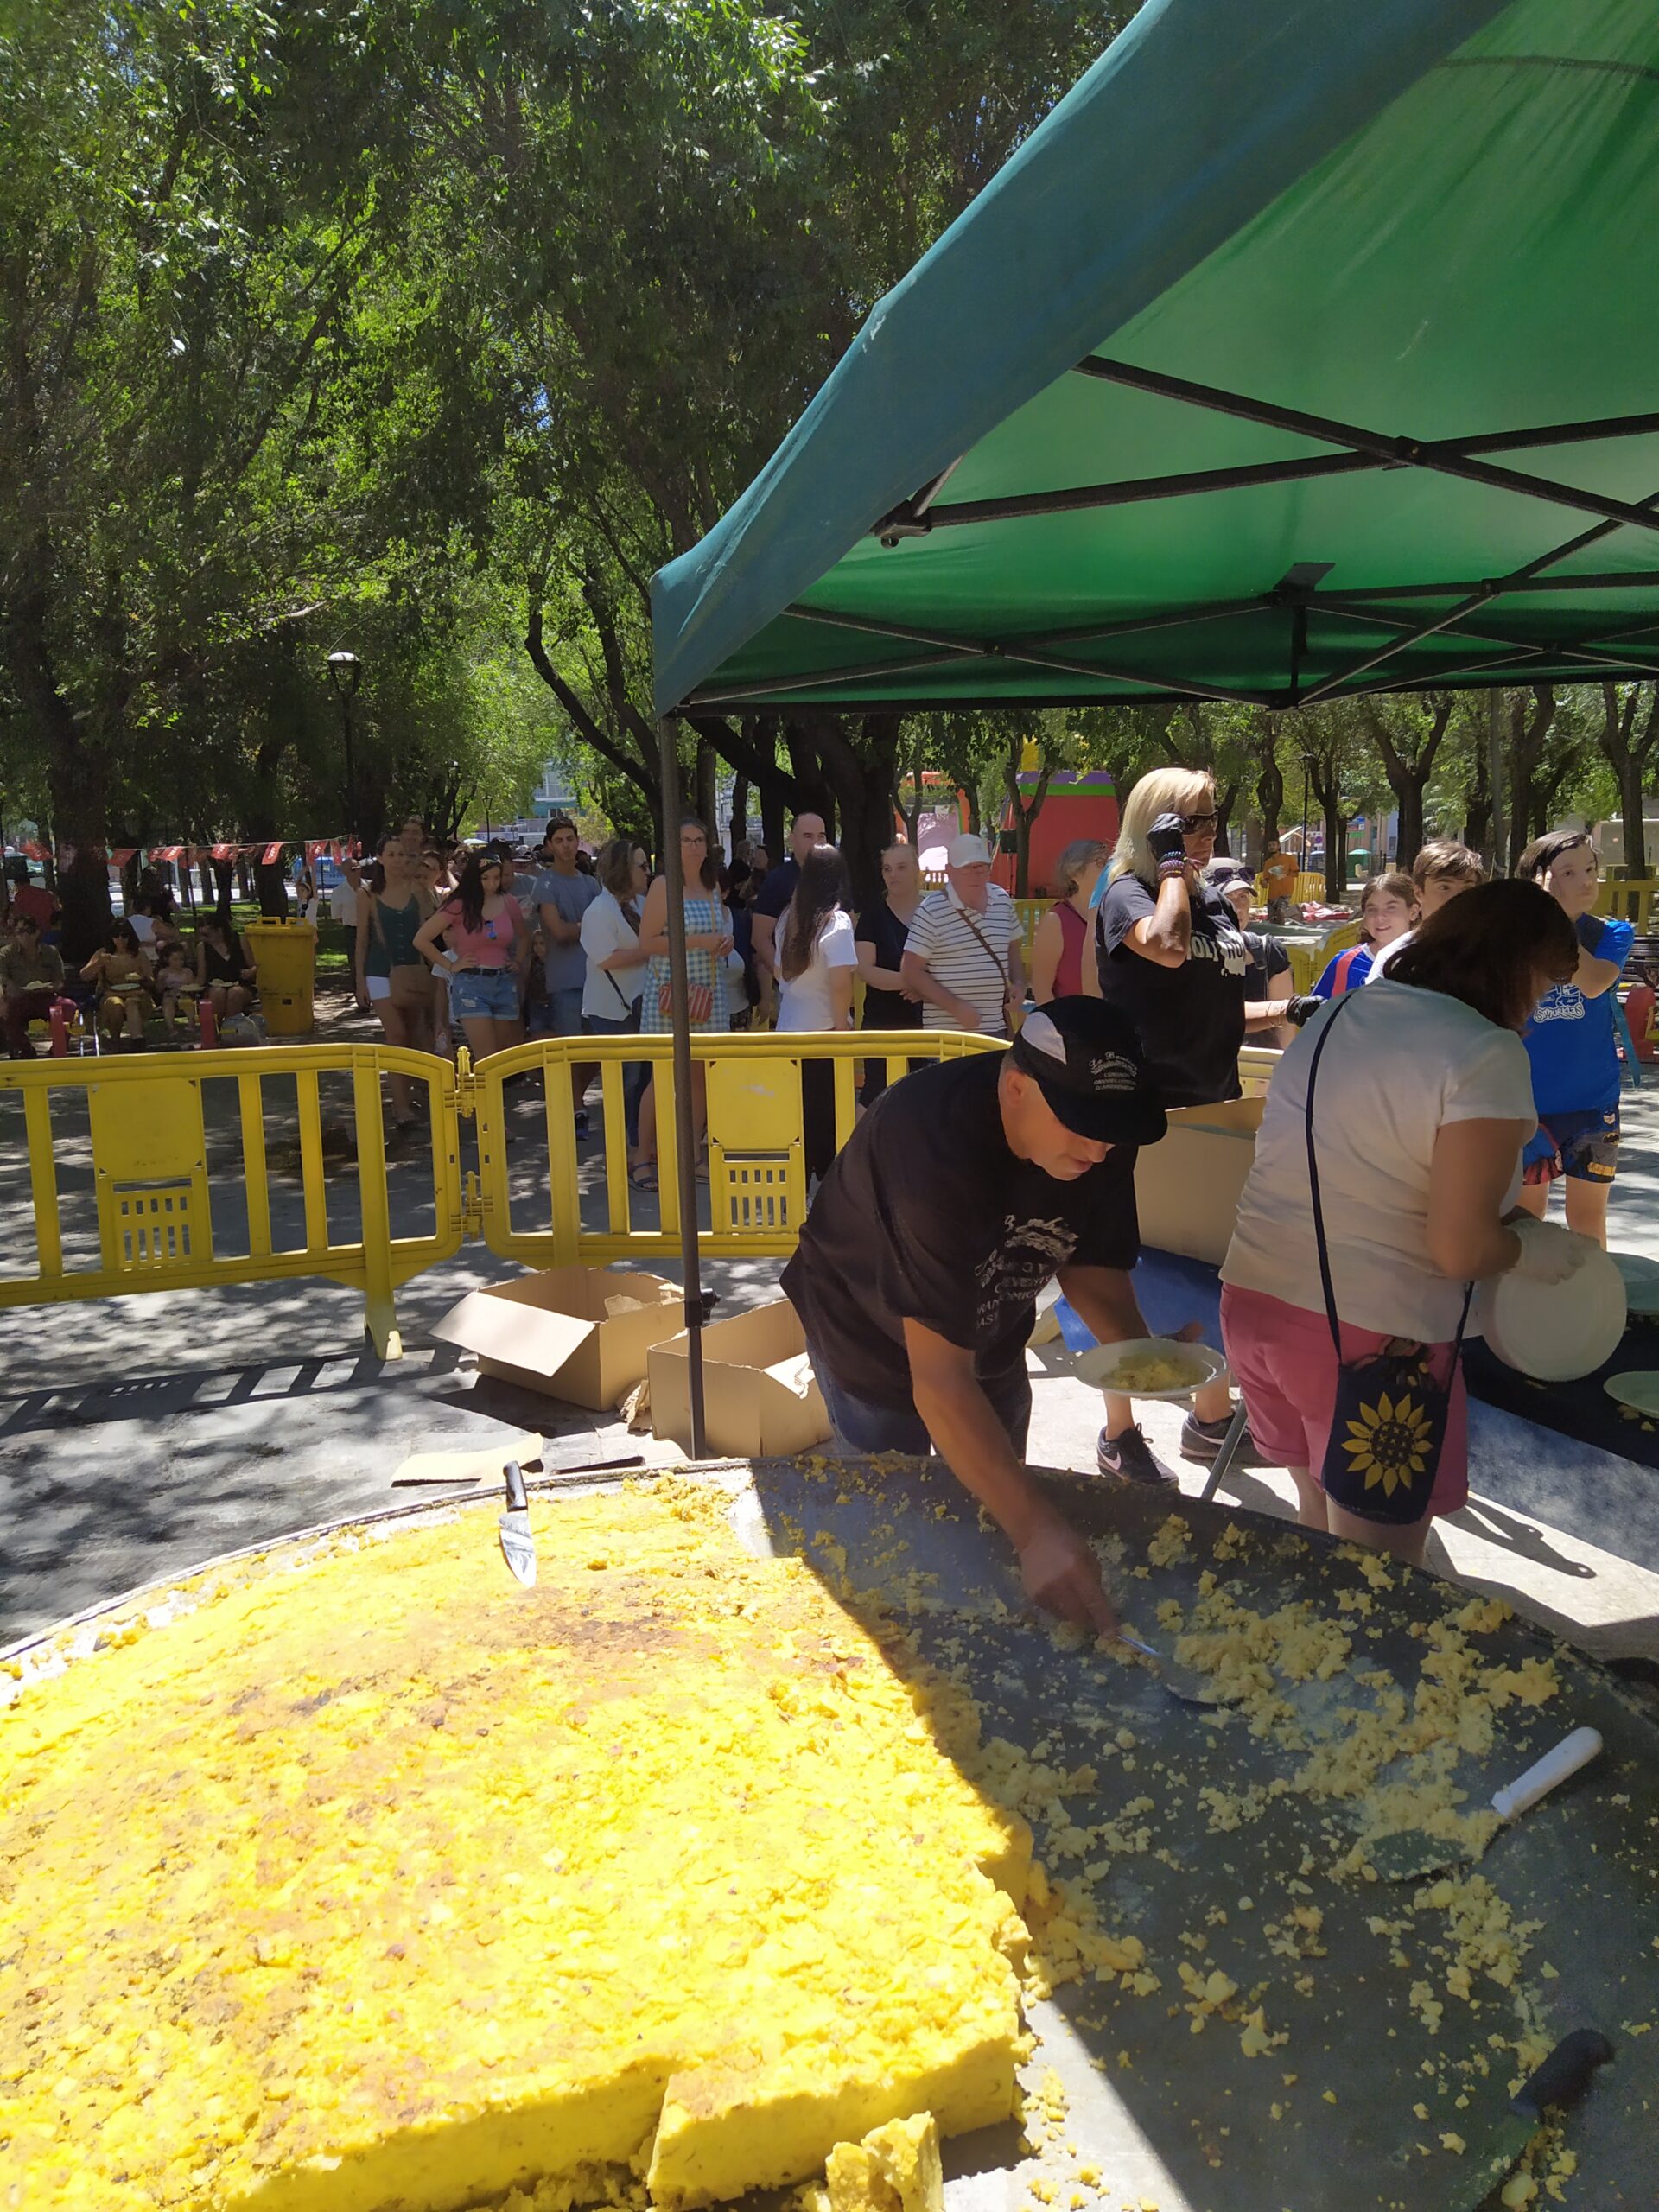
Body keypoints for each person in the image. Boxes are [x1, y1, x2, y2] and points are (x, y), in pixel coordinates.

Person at [1222, 880, 1586, 1565]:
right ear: (1508, 964)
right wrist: (1527, 1251)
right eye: (1542, 985)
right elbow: (1460, 1248)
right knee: (1377, 1589)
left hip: (1256, 1305)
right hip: (1373, 1344)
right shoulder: (1485, 1050)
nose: (1537, 1010)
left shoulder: (1341, 1012)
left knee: (1318, 1545)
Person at [784, 997, 1170, 1631]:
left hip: (988, 1325)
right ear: (1018, 1087)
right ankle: (899, 1640)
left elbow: (1090, 1261)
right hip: (865, 1327)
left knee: (998, 1501)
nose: (1101, 1148)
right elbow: (938, 1383)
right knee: (893, 1507)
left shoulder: (1104, 1133)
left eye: (1113, 1129)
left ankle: (996, 1627)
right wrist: (1039, 1530)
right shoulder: (929, 1141)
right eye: (1083, 1124)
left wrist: (1143, 1354)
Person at [1090, 766, 1273, 1481]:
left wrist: (1288, 1012)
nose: (1206, 835)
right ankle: (1119, 1432)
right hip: (1143, 1117)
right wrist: (1168, 863)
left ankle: (1211, 1419)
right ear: (1156, 826)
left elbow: (1219, 1008)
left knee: (1211, 1275)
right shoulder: (1127, 894)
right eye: (1188, 823)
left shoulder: (1213, 905)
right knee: (1124, 1276)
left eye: (1209, 819)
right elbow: (1164, 946)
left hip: (1213, 1110)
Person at [1513, 830, 1633, 1248]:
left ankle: (1594, 1308)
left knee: (1586, 1218)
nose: (1585, 881)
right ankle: (1522, 1305)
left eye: (1590, 869)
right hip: (1526, 1104)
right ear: (1540, 881)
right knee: (1525, 1219)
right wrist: (1540, 919)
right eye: (1568, 872)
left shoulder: (1611, 934)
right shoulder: (1513, 938)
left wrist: (1558, 923)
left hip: (1592, 1104)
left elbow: (1594, 983)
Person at [637, 817, 733, 1162]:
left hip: (708, 995)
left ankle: (690, 1155)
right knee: (662, 1079)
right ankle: (644, 1157)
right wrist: (700, 941)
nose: (694, 846)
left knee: (699, 1081)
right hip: (671, 996)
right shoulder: (663, 886)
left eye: (699, 840)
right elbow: (646, 943)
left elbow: (718, 932)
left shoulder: (712, 887)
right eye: (686, 840)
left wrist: (724, 942)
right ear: (673, 848)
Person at [777, 843, 860, 1183]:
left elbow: (779, 974)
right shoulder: (837, 921)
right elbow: (841, 982)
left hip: (787, 1032)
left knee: (797, 1122)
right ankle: (824, 1197)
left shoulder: (787, 918)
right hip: (824, 1034)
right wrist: (844, 1029)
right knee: (827, 1122)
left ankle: (794, 1197)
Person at [580, 836, 656, 1186]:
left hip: (643, 1004)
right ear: (622, 870)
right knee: (624, 1082)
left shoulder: (641, 903)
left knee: (642, 1080)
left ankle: (639, 1146)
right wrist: (653, 950)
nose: (647, 871)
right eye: (641, 865)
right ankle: (619, 1152)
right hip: (612, 1010)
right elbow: (606, 958)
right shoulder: (598, 911)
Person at [901, 833, 1026, 1039]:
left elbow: (1012, 947)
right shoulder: (931, 910)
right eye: (967, 867)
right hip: (947, 1034)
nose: (975, 874)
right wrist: (956, 1007)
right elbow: (910, 970)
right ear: (950, 871)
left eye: (981, 866)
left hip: (996, 1029)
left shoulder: (1002, 900)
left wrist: (1019, 984)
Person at [413, 850, 531, 1065]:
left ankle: (494, 1097)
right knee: (487, 1058)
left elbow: (524, 936)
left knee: (503, 1058)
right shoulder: (458, 904)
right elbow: (421, 939)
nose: (491, 884)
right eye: (485, 878)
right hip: (471, 984)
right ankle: (483, 1096)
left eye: (496, 877)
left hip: (504, 981)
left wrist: (519, 961)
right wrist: (450, 965)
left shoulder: (508, 902)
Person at [353, 833, 436, 1130]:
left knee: (415, 1034)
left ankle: (411, 1091)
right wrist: (359, 980)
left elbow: (432, 927)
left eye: (402, 854)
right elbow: (361, 940)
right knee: (397, 1034)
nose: (398, 860)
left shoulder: (418, 890)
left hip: (412, 970)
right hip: (380, 972)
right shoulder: (367, 894)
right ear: (380, 859)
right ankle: (399, 1106)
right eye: (391, 855)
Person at [534, 817, 602, 1136]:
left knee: (598, 1051)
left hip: (597, 979)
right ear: (550, 845)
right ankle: (574, 1109)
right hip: (565, 979)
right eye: (559, 840)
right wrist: (585, 927)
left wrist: (582, 928)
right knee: (570, 1049)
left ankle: (575, 1099)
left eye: (571, 839)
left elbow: (603, 928)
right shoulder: (545, 884)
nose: (566, 845)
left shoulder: (591, 883)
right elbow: (558, 932)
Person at [855, 841, 925, 1106]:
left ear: (917, 870)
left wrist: (925, 989)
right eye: (887, 869)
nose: (893, 874)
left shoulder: (935, 913)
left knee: (925, 1097)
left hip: (928, 1022)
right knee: (877, 1098)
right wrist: (913, 982)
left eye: (901, 867)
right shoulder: (873, 915)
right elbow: (865, 970)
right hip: (882, 1022)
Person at [1364, 840, 1484, 982]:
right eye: (1444, 887)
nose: (1457, 897)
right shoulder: (1394, 959)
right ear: (1419, 893)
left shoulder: (1493, 954)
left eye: (1467, 888)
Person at [1208, 861, 1294, 1040]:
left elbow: (1286, 1031)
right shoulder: (1188, 953)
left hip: (1259, 1065)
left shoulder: (1268, 951)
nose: (1237, 908)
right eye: (1226, 899)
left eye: (1243, 897)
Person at [752, 813, 827, 1009]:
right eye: (808, 836)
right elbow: (759, 937)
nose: (816, 842)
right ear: (792, 839)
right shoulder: (777, 881)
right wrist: (784, 978)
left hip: (833, 985)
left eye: (821, 836)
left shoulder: (836, 877)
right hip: (795, 994)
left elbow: (850, 923)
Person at [1311, 872, 1418, 997]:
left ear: (1413, 912)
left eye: (1391, 908)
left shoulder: (1430, 962)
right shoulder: (1345, 963)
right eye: (1372, 909)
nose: (1380, 917)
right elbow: (1319, 1011)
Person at [1030, 840, 1109, 1005]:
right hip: (1069, 1024)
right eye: (1101, 863)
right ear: (1075, 873)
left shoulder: (1111, 913)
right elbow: (1041, 990)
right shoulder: (1056, 921)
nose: (1109, 869)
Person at [1, 917, 73, 1058]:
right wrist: (3, 1000)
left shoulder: (50, 952)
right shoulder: (6, 954)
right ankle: (24, 1048)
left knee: (68, 1006)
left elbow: (59, 982)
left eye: (30, 931)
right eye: (21, 932)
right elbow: (1, 978)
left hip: (46, 998)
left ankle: (59, 1048)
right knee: (6, 1013)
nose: (26, 936)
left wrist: (50, 988)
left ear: (37, 932)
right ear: (15, 934)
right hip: (19, 999)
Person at [82, 922, 156, 1041]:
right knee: (116, 1005)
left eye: (124, 935)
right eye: (116, 936)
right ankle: (115, 1040)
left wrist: (142, 979)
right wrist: (99, 963)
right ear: (111, 937)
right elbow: (84, 976)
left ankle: (137, 1039)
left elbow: (151, 980)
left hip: (137, 994)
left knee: (132, 1003)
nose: (120, 939)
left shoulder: (139, 954)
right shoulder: (103, 954)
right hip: (111, 993)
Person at [196, 912, 257, 1027]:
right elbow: (201, 976)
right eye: (201, 935)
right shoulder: (203, 948)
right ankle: (215, 1029)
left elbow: (254, 966)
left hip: (241, 984)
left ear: (219, 930)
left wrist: (250, 973)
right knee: (217, 992)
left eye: (207, 934)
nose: (204, 939)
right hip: (214, 985)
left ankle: (229, 1029)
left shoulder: (240, 941)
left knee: (235, 993)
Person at [6, 860, 59, 939]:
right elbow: (57, 909)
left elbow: (17, 916)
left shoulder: (20, 896)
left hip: (32, 933)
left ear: (18, 884)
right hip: (49, 931)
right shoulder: (46, 893)